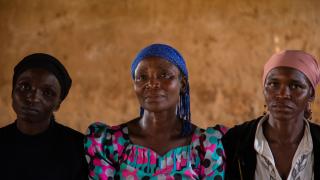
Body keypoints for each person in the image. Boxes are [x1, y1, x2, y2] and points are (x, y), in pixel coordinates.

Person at [84, 44, 226, 179]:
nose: (151, 83)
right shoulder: (109, 143)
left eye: (164, 75)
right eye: (142, 77)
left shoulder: (206, 146)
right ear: (135, 85)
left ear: (182, 84)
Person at [222, 50, 320, 180]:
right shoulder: (234, 142)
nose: (283, 94)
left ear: (311, 94)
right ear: (264, 89)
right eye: (274, 84)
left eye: (295, 86)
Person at [0, 53, 88, 180]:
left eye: (47, 92)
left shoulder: (79, 149)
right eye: (25, 86)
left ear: (58, 104)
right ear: (12, 92)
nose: (33, 97)